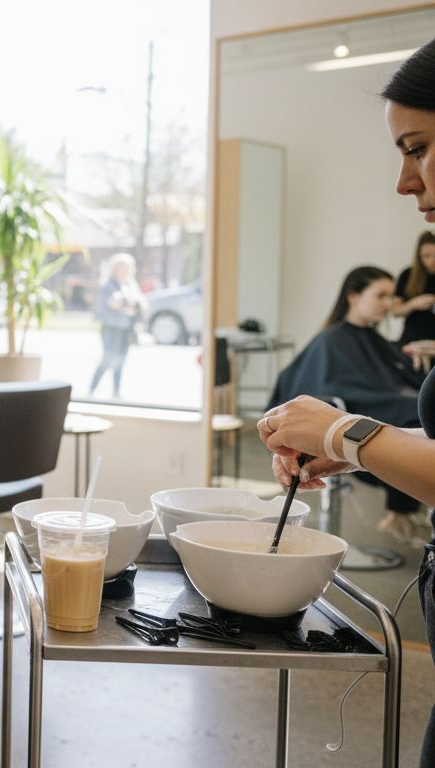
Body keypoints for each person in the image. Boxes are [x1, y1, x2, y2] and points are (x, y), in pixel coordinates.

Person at [259, 38, 435, 768]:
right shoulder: (340, 341)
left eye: (418, 148)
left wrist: (349, 433)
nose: (404, 182)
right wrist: (356, 439)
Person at [266, 266, 427, 543]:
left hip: (378, 404)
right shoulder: (331, 340)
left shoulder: (374, 340)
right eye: (380, 296)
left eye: (391, 297)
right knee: (414, 417)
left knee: (418, 414)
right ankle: (401, 511)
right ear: (353, 296)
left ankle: (403, 510)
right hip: (356, 409)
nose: (388, 305)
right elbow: (325, 390)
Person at [88, 252, 146, 398]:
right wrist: (124, 303)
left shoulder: (131, 284)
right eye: (122, 267)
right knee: (107, 360)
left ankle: (116, 393)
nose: (126, 271)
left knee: (120, 361)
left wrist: (132, 305)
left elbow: (142, 303)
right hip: (110, 328)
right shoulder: (108, 285)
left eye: (128, 267)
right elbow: (112, 303)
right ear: (115, 268)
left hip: (126, 329)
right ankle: (92, 390)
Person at [395, 231, 435, 347]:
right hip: (411, 342)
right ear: (419, 256)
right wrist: (413, 304)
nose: (432, 261)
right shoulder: (407, 275)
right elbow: (395, 311)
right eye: (427, 256)